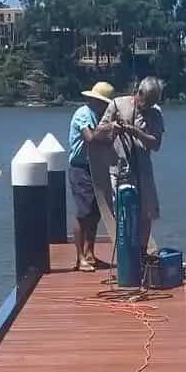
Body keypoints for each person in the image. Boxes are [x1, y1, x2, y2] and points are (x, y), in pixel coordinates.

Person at [102, 77, 165, 258]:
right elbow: (99, 133)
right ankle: (125, 257)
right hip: (120, 170)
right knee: (122, 214)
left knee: (146, 214)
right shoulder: (117, 104)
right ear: (138, 93)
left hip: (143, 170)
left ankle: (142, 254)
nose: (146, 107)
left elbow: (156, 144)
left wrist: (135, 132)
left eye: (152, 104)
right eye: (145, 102)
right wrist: (112, 128)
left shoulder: (155, 114)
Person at [66, 81, 118, 271]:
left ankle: (90, 254)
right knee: (84, 212)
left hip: (96, 166)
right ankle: (80, 258)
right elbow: (91, 138)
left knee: (96, 212)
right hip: (80, 168)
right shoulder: (83, 114)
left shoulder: (101, 116)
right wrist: (109, 128)